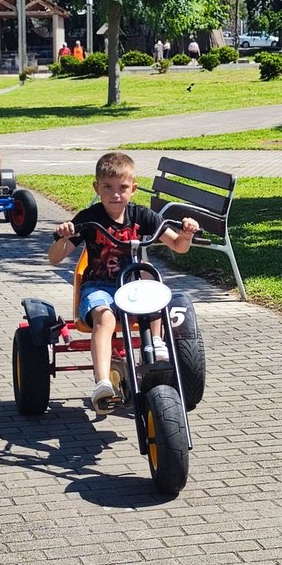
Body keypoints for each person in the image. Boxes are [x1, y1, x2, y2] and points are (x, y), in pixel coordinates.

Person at [48, 152, 200, 412]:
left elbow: (178, 245)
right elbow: (54, 258)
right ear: (97, 188)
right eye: (107, 187)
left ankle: (157, 344)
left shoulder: (142, 216)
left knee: (152, 282)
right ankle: (103, 383)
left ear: (133, 189)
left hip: (131, 289)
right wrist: (63, 237)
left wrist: (186, 233)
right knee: (105, 318)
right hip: (99, 287)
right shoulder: (89, 218)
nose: (115, 194)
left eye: (122, 188)